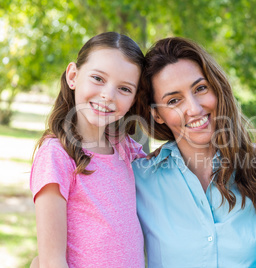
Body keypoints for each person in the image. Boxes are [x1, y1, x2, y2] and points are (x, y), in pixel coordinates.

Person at [132, 37, 256, 267]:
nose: (194, 108)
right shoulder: (138, 181)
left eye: (200, 88)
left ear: (217, 88)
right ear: (157, 114)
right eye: (174, 100)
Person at [30, 32, 146, 267]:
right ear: (73, 76)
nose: (108, 95)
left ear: (134, 99)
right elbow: (52, 261)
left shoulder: (124, 147)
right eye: (98, 78)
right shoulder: (57, 154)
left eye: (124, 89)